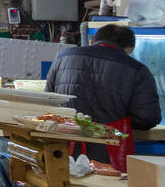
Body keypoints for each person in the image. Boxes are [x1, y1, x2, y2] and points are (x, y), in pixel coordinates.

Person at [45, 24, 162, 160]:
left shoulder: (64, 56)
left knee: (63, 172)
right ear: (130, 49)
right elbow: (147, 118)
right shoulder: (137, 69)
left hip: (63, 146)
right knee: (103, 174)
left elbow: (48, 100)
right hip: (109, 150)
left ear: (92, 41)